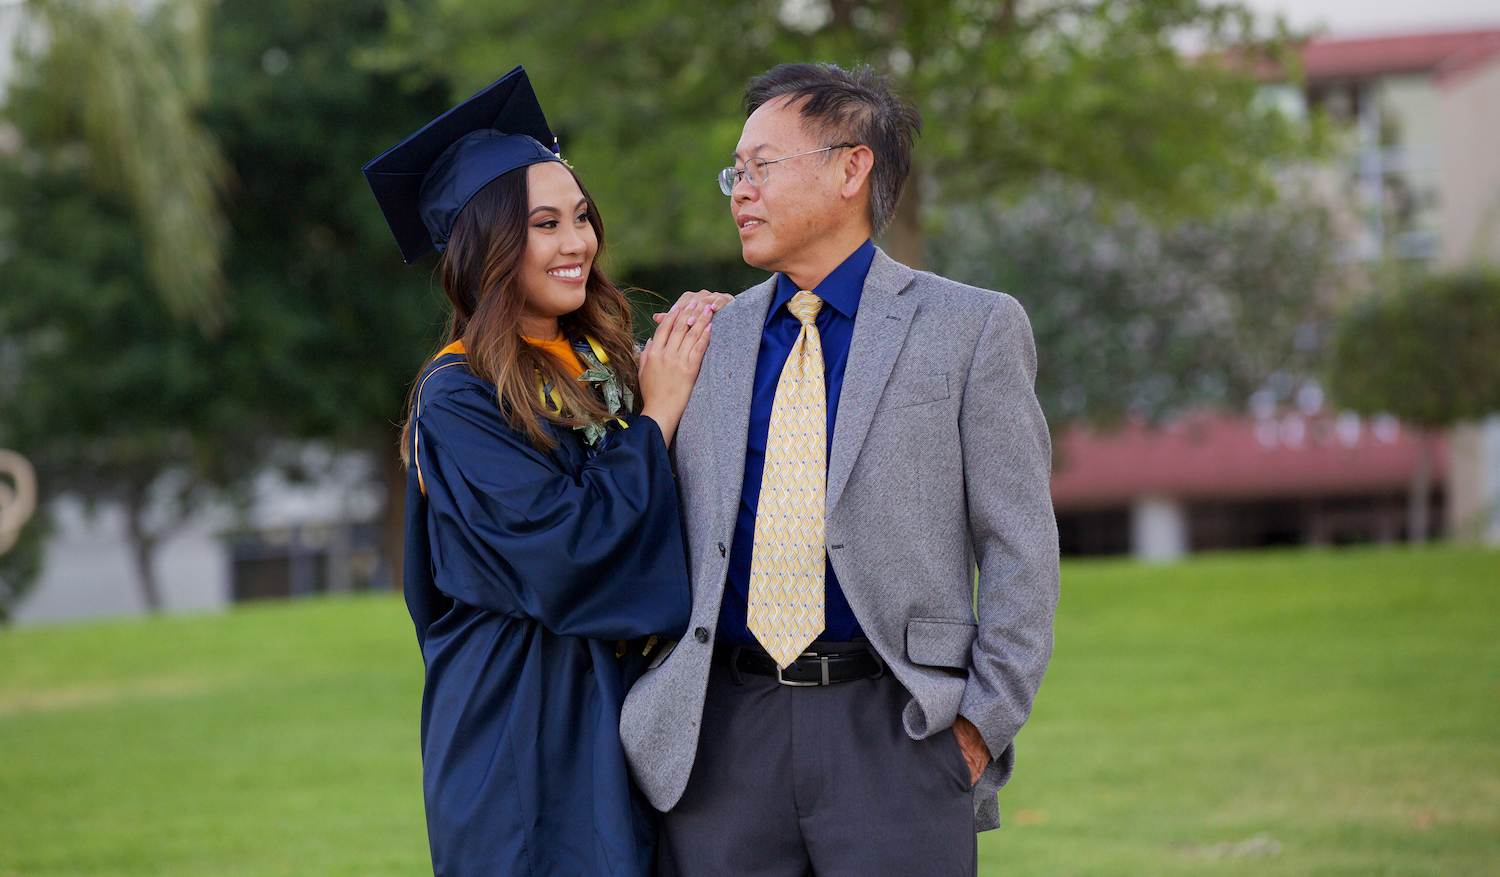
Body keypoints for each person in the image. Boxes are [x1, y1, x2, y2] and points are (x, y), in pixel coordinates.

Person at [621, 62, 1060, 876]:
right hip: (723, 739)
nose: (739, 191)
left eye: (761, 167)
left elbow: (1021, 548)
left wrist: (978, 726)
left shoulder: (973, 329)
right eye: (734, 172)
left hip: (897, 735)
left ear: (852, 166)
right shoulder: (705, 343)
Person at [364, 67, 721, 877]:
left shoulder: (596, 356)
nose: (579, 242)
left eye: (583, 217)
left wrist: (713, 342)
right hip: (520, 721)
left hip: (620, 704)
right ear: (485, 243)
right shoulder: (457, 399)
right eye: (546, 223)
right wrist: (658, 413)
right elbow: (567, 547)